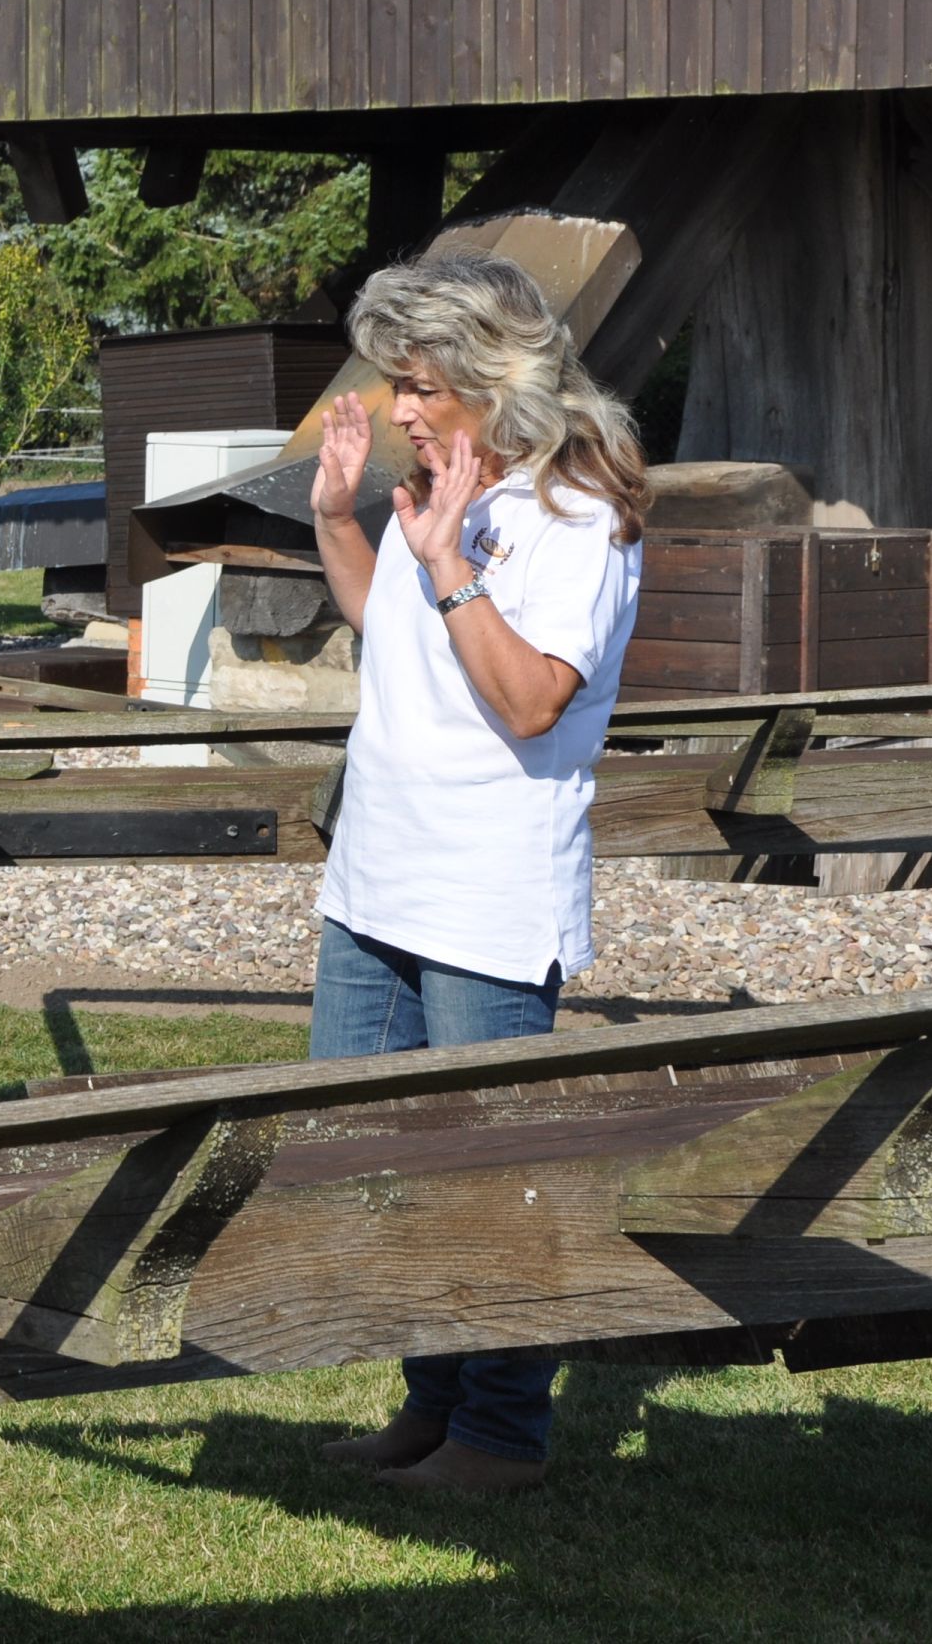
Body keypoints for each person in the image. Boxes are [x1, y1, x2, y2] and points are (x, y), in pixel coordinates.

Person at [304, 246, 649, 1494]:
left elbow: (529, 699)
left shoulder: (575, 522)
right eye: (396, 382)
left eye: (421, 386)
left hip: (485, 905)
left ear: (494, 383)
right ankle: (431, 1402)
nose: (400, 408)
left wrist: (451, 561)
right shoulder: (448, 491)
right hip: (377, 885)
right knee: (379, 1159)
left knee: (493, 1176)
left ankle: (501, 1434)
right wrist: (340, 520)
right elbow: (389, 629)